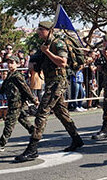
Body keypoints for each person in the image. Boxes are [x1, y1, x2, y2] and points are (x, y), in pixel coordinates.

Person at [15, 21, 84, 162]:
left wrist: (47, 52)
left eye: (41, 29)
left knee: (42, 113)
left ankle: (32, 148)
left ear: (49, 30)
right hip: (51, 83)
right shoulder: (44, 45)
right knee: (61, 113)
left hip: (57, 83)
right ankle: (76, 139)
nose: (38, 32)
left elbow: (62, 62)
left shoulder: (58, 43)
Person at [0, 56, 39, 152]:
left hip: (17, 103)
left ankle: (1, 144)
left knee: (9, 123)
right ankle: (35, 133)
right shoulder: (10, 75)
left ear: (17, 64)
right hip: (13, 103)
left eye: (12, 62)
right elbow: (3, 89)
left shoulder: (17, 76)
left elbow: (25, 88)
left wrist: (34, 100)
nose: (9, 65)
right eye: (8, 63)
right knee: (23, 120)